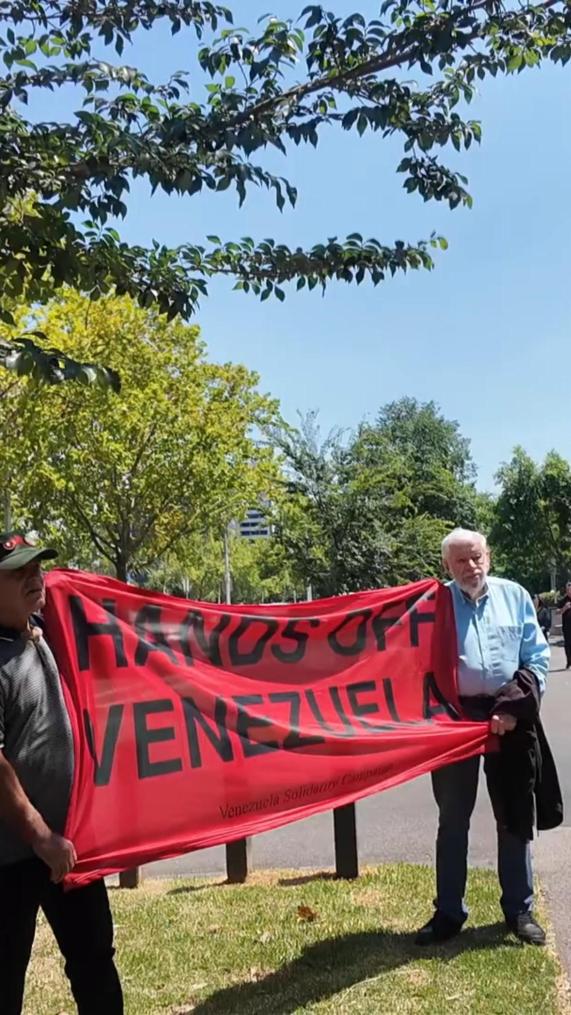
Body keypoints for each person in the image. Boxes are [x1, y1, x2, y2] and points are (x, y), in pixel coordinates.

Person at [0, 531, 123, 1015]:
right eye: (19, 572)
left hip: (69, 846)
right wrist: (39, 836)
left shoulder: (43, 631)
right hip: (14, 857)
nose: (35, 578)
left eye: (38, 568)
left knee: (94, 962)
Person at [416, 528, 550, 948]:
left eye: (476, 557)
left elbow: (537, 658)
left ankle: (519, 910)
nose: (471, 567)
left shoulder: (515, 595)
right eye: (461, 560)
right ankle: (449, 913)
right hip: (454, 721)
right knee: (452, 818)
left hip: (510, 717)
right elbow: (414, 662)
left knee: (513, 816)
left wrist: (511, 710)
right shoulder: (433, 605)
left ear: (487, 555)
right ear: (446, 566)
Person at [557, 581, 571, 668]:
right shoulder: (563, 600)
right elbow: (557, 612)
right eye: (568, 589)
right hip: (567, 627)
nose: (570, 591)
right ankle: (569, 661)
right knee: (568, 644)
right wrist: (564, 608)